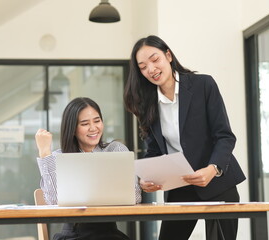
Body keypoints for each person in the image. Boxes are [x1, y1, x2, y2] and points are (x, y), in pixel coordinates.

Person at [123, 35, 246, 240]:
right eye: (143, 67)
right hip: (179, 187)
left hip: (217, 183)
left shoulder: (203, 85)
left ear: (168, 56)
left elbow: (224, 136)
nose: (151, 69)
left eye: (155, 60)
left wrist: (212, 169)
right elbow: (153, 151)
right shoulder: (147, 103)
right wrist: (145, 178)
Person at [35, 97, 142, 240]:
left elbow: (135, 197)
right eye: (85, 123)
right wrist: (44, 153)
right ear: (72, 129)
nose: (93, 128)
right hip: (73, 233)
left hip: (109, 233)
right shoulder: (58, 157)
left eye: (97, 121)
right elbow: (54, 201)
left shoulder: (115, 150)